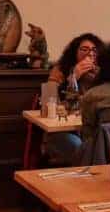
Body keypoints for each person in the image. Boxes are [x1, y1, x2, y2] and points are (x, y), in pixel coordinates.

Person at [44, 33, 104, 164]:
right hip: (64, 131)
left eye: (94, 50)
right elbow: (49, 99)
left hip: (91, 130)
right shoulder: (61, 70)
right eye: (84, 49)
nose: (90, 53)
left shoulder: (103, 73)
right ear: (74, 52)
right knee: (80, 148)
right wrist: (74, 77)